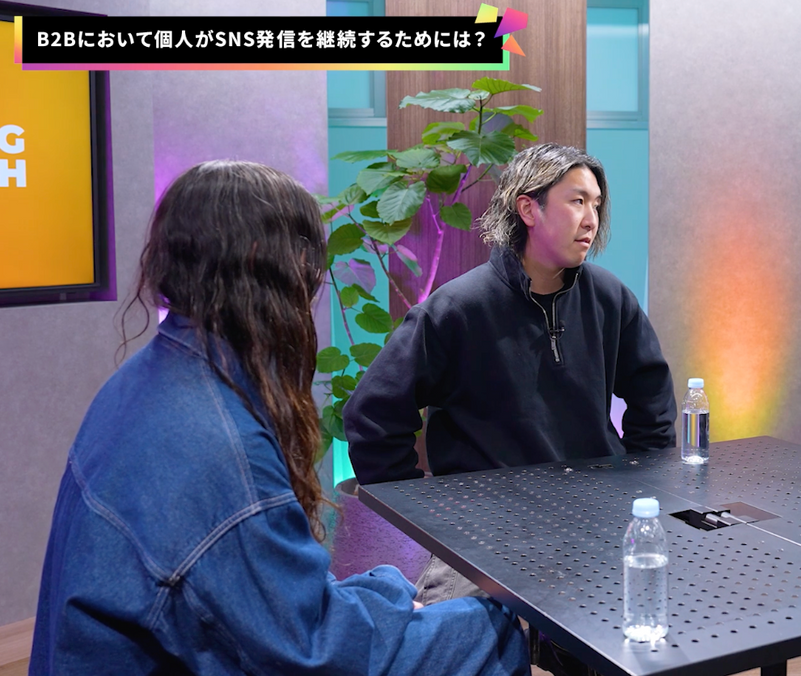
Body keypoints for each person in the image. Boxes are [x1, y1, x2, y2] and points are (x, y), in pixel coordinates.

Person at [30, 161, 529, 676]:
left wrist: (385, 591)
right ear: (273, 265)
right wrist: (437, 609)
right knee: (488, 629)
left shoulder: (142, 380)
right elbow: (310, 650)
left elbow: (266, 596)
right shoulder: (220, 444)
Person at [344, 143, 676, 675]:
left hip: (592, 522)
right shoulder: (456, 308)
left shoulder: (610, 298)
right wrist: (425, 511)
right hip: (482, 531)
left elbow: (652, 400)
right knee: (453, 656)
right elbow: (372, 416)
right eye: (576, 201)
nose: (592, 219)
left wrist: (637, 485)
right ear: (529, 209)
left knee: (646, 649)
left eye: (596, 204)